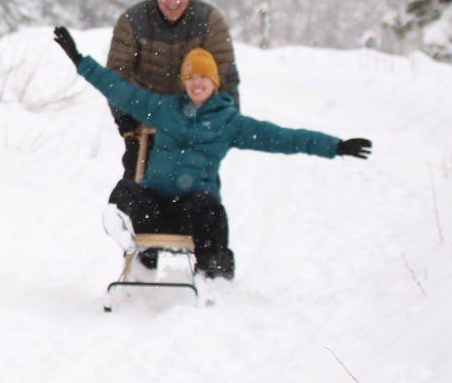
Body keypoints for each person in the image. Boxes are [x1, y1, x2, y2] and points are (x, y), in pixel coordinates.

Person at [53, 27, 372, 280]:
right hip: (155, 204)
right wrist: (80, 61)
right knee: (127, 190)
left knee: (210, 209)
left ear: (214, 82)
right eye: (191, 78)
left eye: (203, 77)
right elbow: (121, 91)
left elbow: (283, 138)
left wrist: (335, 146)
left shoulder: (229, 122)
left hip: (192, 210)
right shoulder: (164, 108)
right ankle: (128, 236)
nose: (197, 83)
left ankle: (213, 276)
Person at [105, 0, 240, 182]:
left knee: (199, 193)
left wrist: (225, 118)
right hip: (147, 116)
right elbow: (116, 74)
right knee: (138, 188)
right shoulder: (133, 21)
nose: (172, 1)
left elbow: (225, 74)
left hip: (193, 119)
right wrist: (125, 118)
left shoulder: (209, 20)